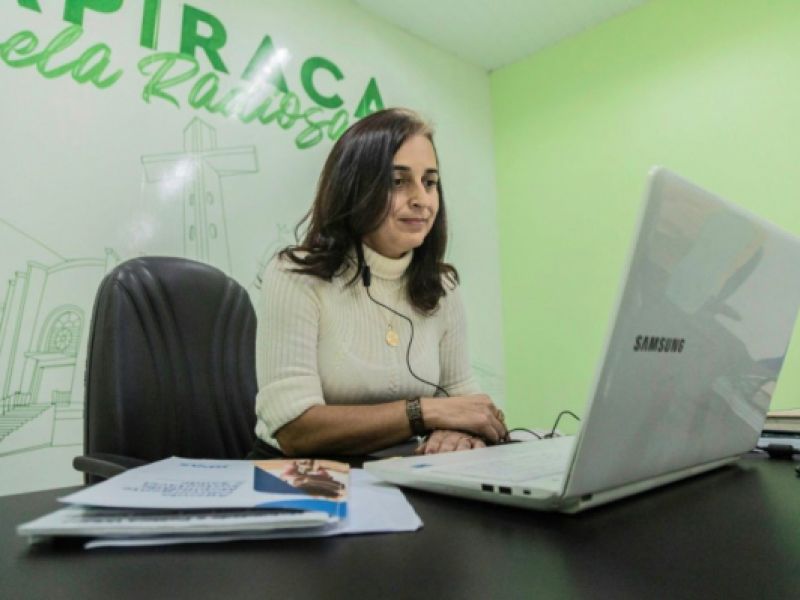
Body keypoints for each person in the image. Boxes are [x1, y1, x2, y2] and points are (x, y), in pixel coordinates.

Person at [251, 108, 506, 458]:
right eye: (398, 181)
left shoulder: (442, 286)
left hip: (405, 469)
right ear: (354, 189)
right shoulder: (295, 276)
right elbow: (294, 429)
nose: (421, 199)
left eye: (429, 182)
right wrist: (423, 412)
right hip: (300, 473)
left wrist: (462, 431)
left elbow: (465, 400)